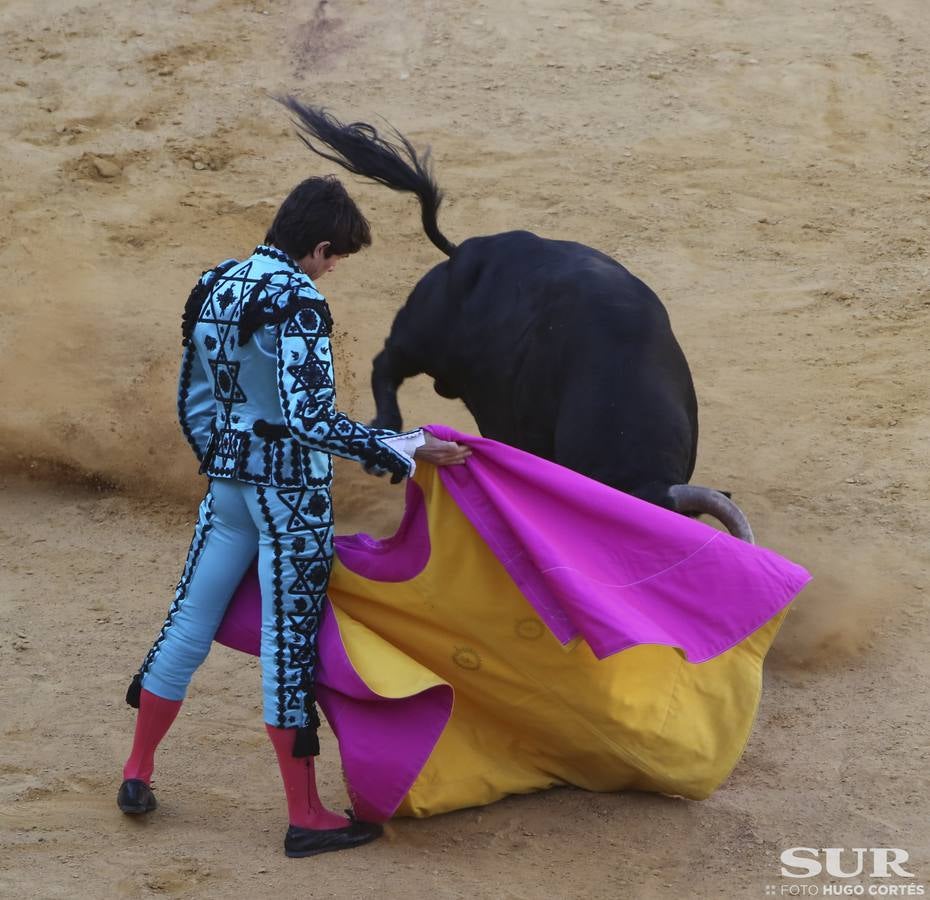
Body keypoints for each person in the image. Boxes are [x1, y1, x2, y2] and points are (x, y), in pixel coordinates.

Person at [117, 175, 470, 858]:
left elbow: (194, 397)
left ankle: (137, 770)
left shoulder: (216, 282)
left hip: (228, 484)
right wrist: (402, 447)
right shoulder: (299, 300)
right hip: (290, 495)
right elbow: (309, 420)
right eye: (335, 259)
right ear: (319, 247)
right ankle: (305, 815)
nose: (331, 271)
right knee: (289, 645)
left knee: (188, 619)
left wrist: (224, 458)